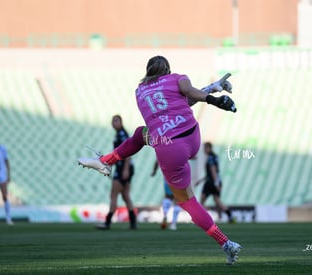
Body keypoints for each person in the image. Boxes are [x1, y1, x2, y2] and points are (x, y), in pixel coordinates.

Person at [78, 56, 241, 265]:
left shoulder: (139, 91)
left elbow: (179, 101)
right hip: (191, 137)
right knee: (140, 134)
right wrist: (213, 92)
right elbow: (188, 97)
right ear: (168, 69)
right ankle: (105, 160)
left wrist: (212, 95)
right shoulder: (177, 78)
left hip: (168, 146)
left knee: (188, 202)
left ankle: (226, 243)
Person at [96, 115, 137, 230]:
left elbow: (128, 152)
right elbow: (118, 154)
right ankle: (133, 223)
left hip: (124, 168)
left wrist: (125, 169)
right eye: (112, 121)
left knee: (114, 194)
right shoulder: (119, 134)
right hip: (124, 167)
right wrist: (109, 164)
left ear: (121, 122)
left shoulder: (122, 135)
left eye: (116, 121)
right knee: (125, 196)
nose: (114, 123)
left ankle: (107, 222)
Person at [195, 142, 235, 223]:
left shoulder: (210, 157)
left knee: (202, 202)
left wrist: (215, 183)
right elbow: (212, 173)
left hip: (211, 182)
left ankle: (204, 218)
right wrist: (201, 181)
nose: (204, 150)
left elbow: (213, 171)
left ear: (209, 148)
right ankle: (230, 214)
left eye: (205, 148)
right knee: (217, 200)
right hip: (216, 181)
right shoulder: (215, 156)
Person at [151, 160, 181, 230]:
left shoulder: (163, 149)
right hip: (179, 176)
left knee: (168, 197)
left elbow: (157, 161)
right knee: (177, 199)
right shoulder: (179, 150)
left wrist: (154, 171)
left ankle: (165, 214)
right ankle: (173, 224)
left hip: (167, 176)